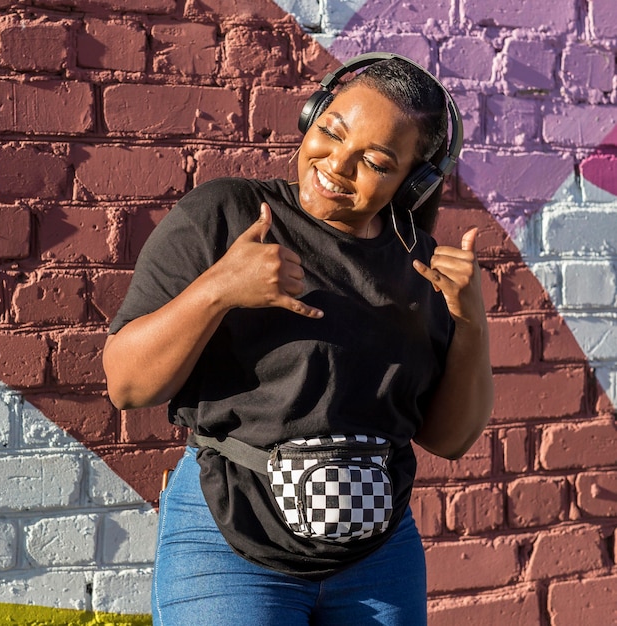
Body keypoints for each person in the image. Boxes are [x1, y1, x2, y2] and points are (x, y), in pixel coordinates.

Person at [103, 53, 493, 626]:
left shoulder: (423, 266)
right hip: (231, 538)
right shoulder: (227, 214)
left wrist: (470, 323)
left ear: (413, 182)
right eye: (330, 132)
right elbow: (127, 385)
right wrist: (219, 289)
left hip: (377, 557)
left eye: (376, 162)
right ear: (311, 116)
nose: (337, 164)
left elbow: (451, 439)